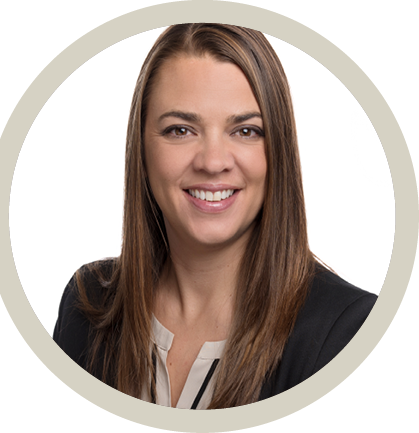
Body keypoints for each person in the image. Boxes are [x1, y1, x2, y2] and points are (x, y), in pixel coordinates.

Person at [53, 23, 377, 409]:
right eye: (180, 130)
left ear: (279, 151)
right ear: (141, 149)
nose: (213, 162)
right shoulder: (87, 305)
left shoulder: (349, 332)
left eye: (245, 130)